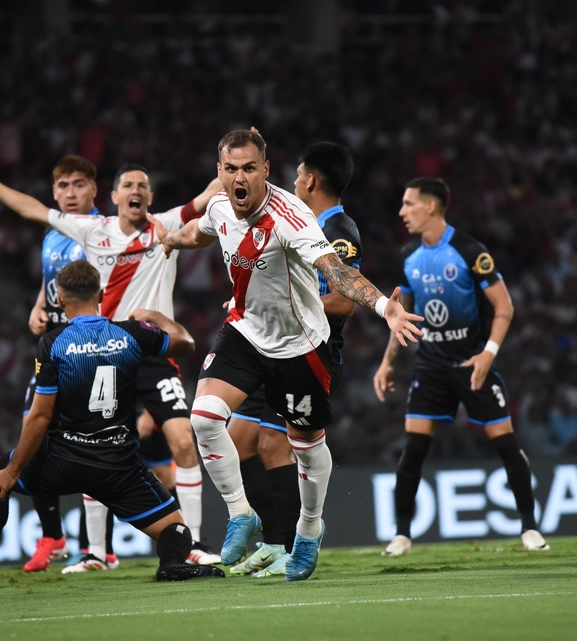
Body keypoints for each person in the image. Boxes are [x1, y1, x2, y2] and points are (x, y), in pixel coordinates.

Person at [148, 129, 423, 581]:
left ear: (265, 170)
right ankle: (241, 513)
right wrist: (176, 240)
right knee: (204, 418)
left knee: (306, 445)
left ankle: (309, 531)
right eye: (231, 169)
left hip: (299, 346)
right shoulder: (219, 204)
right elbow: (203, 231)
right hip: (245, 333)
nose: (240, 178)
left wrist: (383, 306)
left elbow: (336, 271)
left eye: (249, 169)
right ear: (220, 172)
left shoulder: (291, 216)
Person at [0, 156, 222, 568]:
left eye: (143, 185)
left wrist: (233, 163)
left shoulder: (165, 223)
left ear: (149, 196)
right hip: (103, 353)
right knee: (90, 438)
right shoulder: (91, 229)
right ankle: (97, 552)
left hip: (148, 350)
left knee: (184, 440)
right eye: (128, 185)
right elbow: (30, 208)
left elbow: (209, 195)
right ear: (114, 196)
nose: (136, 191)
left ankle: (197, 542)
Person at [373, 177, 549, 556]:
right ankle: (402, 534)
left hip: (472, 364)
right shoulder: (408, 257)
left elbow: (505, 307)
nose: (402, 212)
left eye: (408, 204)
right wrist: (387, 364)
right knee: (413, 449)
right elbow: (403, 317)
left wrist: (489, 353)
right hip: (431, 366)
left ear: (430, 207)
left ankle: (530, 528)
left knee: (506, 444)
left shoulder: (470, 251)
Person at [226, 141, 363, 578]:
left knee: (272, 445)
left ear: (309, 180)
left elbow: (343, 302)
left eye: (297, 174)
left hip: (308, 353)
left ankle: (292, 542)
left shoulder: (337, 229)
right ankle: (271, 538)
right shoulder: (285, 218)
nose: (291, 182)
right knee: (237, 437)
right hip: (266, 344)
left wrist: (291, 306)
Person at [20, 155, 102, 573]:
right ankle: (52, 535)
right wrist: (38, 306)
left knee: (95, 441)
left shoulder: (101, 233)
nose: (70, 193)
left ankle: (97, 546)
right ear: (54, 193)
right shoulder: (52, 235)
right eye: (63, 186)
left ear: (94, 190)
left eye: (78, 185)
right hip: (51, 347)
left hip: (88, 348)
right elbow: (48, 282)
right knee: (30, 438)